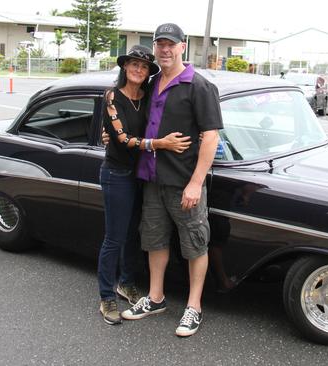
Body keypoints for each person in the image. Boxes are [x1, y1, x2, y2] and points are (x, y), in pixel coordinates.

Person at [121, 23, 223, 338]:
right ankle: (155, 298)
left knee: (194, 244)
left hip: (184, 183)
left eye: (171, 44)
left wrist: (196, 183)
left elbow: (210, 137)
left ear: (183, 46)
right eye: (160, 44)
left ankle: (194, 307)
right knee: (154, 240)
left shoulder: (199, 86)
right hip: (152, 179)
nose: (165, 50)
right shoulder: (152, 82)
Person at [98, 45, 191, 325]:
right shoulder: (113, 96)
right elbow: (124, 139)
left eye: (143, 66)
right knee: (113, 237)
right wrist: (160, 144)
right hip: (117, 174)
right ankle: (106, 297)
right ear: (124, 67)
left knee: (132, 233)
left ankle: (125, 283)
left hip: (142, 173)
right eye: (133, 64)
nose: (138, 70)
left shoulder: (148, 95)